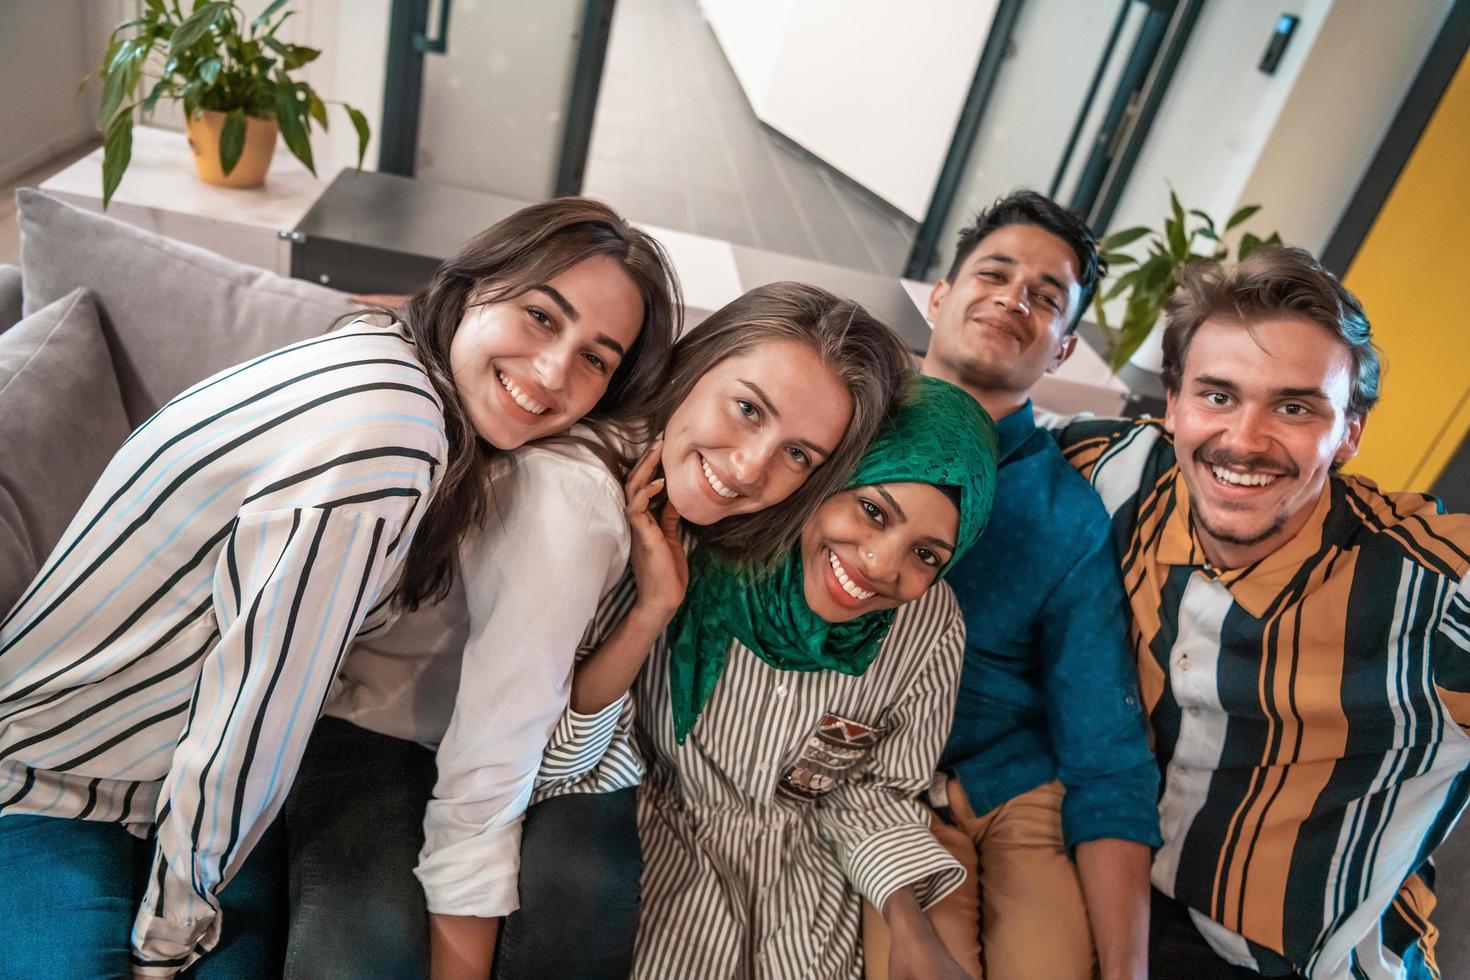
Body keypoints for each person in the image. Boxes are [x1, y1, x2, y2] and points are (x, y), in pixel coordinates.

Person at [0, 197, 678, 978]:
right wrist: (170, 942)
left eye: (596, 358)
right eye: (540, 316)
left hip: (154, 790)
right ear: (476, 285)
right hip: (50, 782)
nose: (556, 372)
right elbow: (250, 717)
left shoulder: (393, 363)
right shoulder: (388, 441)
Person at [287, 281, 913, 979]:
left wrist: (652, 609)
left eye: (799, 454)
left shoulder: (674, 496)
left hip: (505, 747)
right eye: (746, 409)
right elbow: (497, 783)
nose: (749, 466)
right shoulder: (575, 506)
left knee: (588, 892)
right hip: (386, 728)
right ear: (695, 365)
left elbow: (563, 751)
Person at [1055, 245, 1470, 978]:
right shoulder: (1111, 472)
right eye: (1217, 395)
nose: (1243, 441)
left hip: (1280, 959)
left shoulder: (1430, 591)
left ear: (1349, 432)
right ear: (1174, 402)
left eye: (1294, 407)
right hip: (1101, 874)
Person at [549, 374, 998, 978]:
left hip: (808, 886)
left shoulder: (928, 626)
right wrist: (656, 607)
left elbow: (875, 790)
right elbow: (571, 749)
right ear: (825, 484)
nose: (879, 564)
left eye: (926, 555)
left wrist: (908, 927)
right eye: (871, 509)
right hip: (650, 848)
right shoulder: (694, 548)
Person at [865, 190, 1161, 980]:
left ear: (1063, 350)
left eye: (1046, 297)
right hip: (876, 782)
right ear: (937, 296)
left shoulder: (1068, 515)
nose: (1013, 298)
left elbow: (1105, 750)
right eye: (993, 273)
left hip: (1018, 787)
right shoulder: (846, 423)